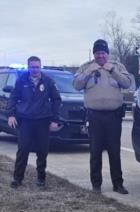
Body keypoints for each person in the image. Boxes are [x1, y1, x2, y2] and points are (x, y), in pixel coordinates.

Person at [72, 39, 132, 194]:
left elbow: (127, 83)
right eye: (98, 53)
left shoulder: (117, 66)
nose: (101, 56)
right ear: (94, 54)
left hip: (114, 115)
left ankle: (118, 184)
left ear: (107, 53)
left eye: (103, 53)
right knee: (95, 151)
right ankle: (96, 184)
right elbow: (77, 85)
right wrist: (88, 72)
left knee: (114, 151)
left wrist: (112, 71)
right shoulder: (86, 67)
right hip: (94, 115)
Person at [7, 56, 61, 188]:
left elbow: (56, 100)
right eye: (32, 67)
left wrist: (55, 119)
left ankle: (41, 178)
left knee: (42, 151)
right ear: (28, 67)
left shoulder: (48, 81)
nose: (35, 69)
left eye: (37, 67)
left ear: (40, 66)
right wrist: (11, 115)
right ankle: (17, 179)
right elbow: (13, 98)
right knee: (23, 149)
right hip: (25, 120)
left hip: (43, 120)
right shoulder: (21, 81)